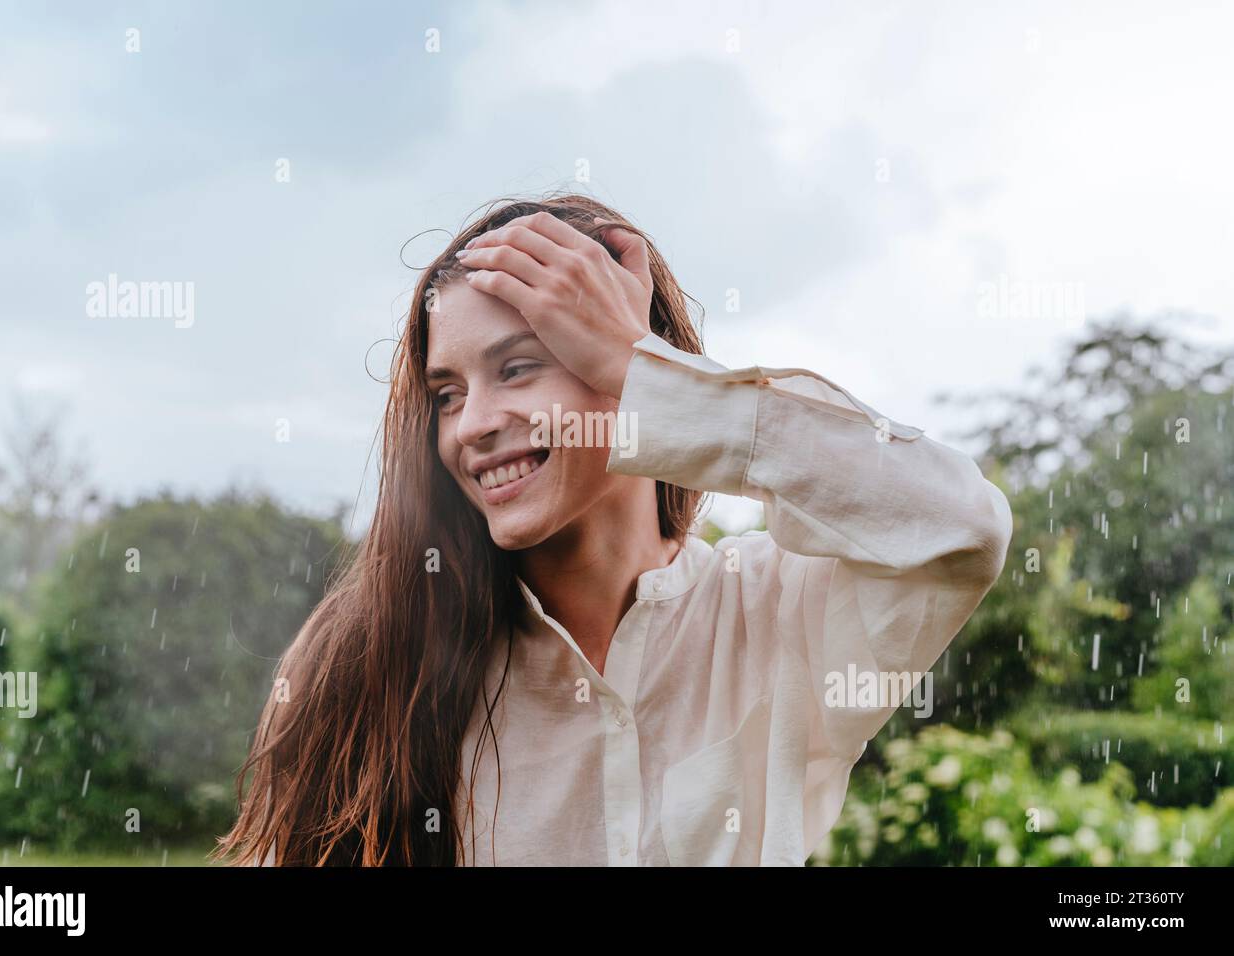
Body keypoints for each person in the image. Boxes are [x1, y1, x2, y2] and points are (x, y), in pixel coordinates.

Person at [213, 193, 1013, 866]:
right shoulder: (369, 656)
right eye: (448, 393)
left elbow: (958, 526)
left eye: (520, 365)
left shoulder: (777, 613)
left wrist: (643, 371)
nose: (474, 425)